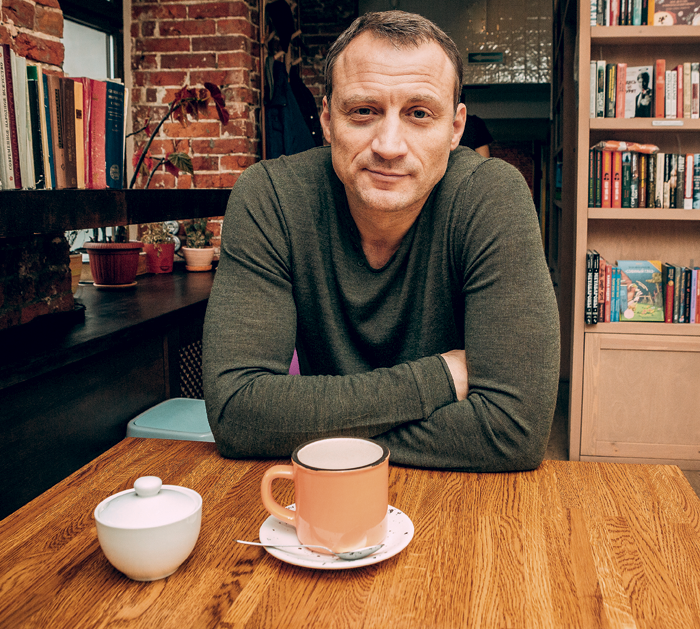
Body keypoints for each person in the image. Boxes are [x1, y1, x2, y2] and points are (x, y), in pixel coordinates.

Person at [203, 11, 560, 472]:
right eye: (364, 111)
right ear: (328, 120)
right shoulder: (270, 198)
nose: (389, 146)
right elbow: (237, 414)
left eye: (419, 113)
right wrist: (440, 377)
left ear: (455, 129)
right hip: (324, 494)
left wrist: (303, 424)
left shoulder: (491, 197)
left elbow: (513, 431)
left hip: (460, 496)